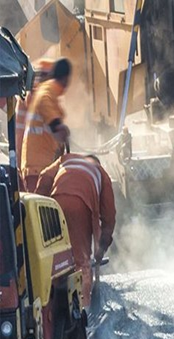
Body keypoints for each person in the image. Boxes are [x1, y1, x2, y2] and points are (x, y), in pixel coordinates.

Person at [36, 152, 116, 308]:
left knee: (57, 256)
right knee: (81, 260)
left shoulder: (66, 159)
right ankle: (82, 309)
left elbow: (45, 176)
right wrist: (102, 247)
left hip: (55, 202)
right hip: (80, 206)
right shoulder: (101, 172)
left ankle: (53, 305)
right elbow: (109, 216)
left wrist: (39, 201)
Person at [20, 57, 71, 192]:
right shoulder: (48, 90)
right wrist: (57, 125)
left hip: (36, 166)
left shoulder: (48, 92)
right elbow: (44, 100)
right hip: (38, 168)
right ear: (65, 78)